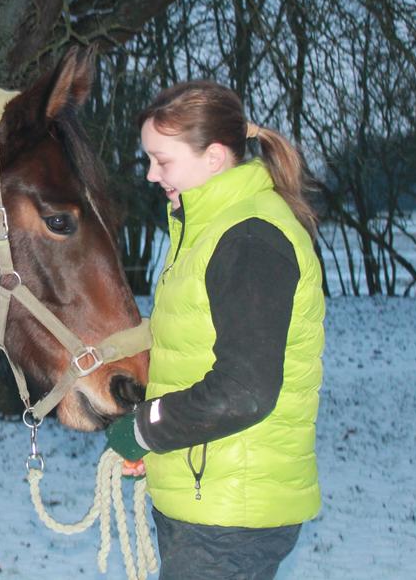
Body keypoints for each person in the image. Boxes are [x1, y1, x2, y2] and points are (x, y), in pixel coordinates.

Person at [105, 80, 325, 580]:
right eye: (148, 159)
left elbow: (244, 390)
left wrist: (145, 430)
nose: (150, 174)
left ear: (214, 157)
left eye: (162, 160)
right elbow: (191, 347)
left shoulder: (250, 238)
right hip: (208, 497)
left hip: (232, 515)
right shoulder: (206, 230)